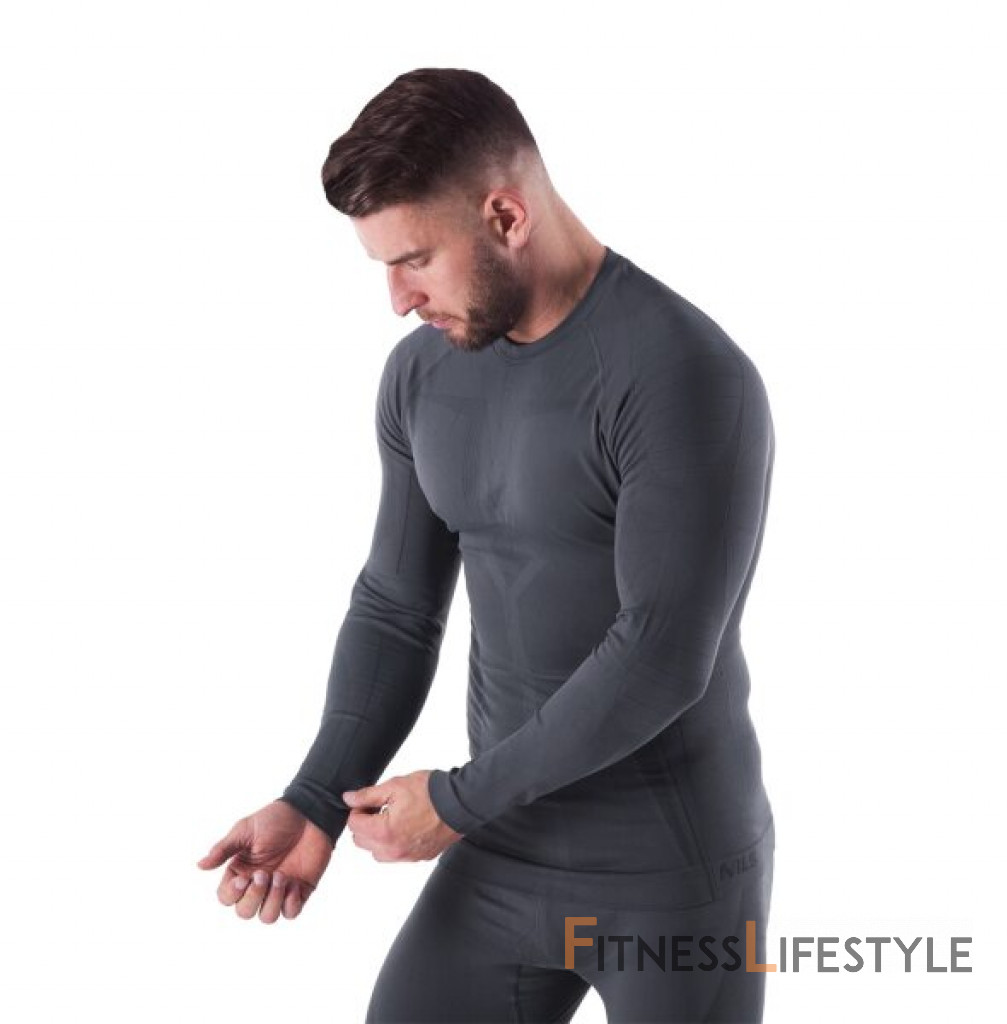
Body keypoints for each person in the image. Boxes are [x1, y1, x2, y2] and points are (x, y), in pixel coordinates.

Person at [197, 67, 778, 1023]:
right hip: (505, 846)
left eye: (415, 259)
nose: (398, 298)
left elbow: (661, 655)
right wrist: (315, 797)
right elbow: (396, 606)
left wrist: (456, 802)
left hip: (672, 876)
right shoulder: (421, 376)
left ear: (506, 216)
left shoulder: (683, 374)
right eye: (383, 266)